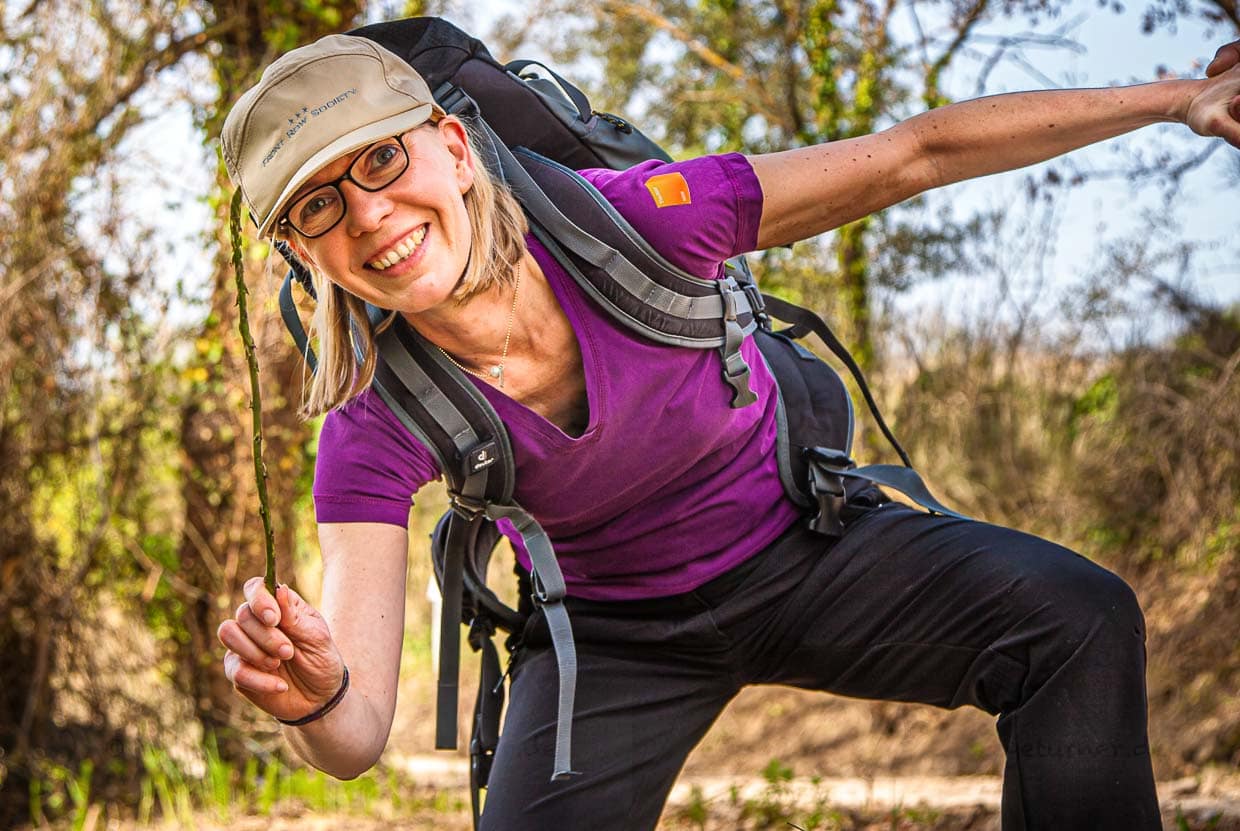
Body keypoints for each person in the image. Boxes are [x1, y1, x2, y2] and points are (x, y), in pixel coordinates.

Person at [216, 29, 1240, 831]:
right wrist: (311, 696)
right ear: (303, 254)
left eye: (381, 159)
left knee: (1076, 619)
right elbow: (353, 738)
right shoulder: (371, 420)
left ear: (452, 146)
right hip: (608, 643)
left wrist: (1178, 99)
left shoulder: (649, 218)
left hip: (808, 549)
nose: (367, 215)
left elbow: (911, 155)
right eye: (316, 206)